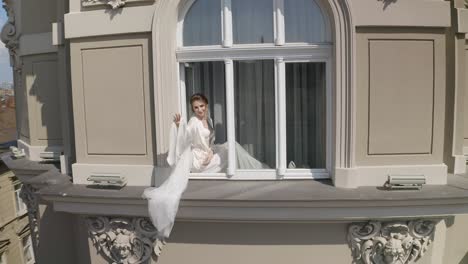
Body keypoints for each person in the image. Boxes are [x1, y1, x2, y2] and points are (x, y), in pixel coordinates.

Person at [143, 93, 265, 239]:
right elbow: (185, 138)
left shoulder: (209, 119)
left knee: (232, 147)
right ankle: (258, 169)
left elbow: (209, 142)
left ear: (206, 105)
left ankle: (257, 167)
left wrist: (211, 151)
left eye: (201, 106)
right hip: (198, 161)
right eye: (196, 108)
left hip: (207, 153)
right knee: (232, 150)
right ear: (193, 110)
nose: (199, 110)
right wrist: (178, 125)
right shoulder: (193, 122)